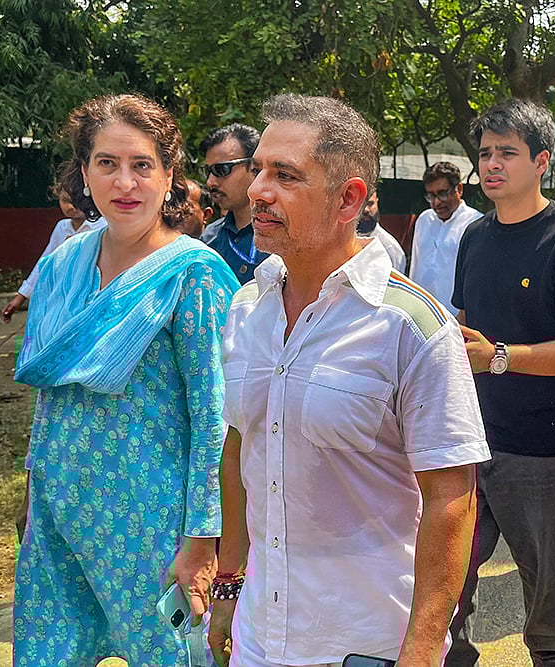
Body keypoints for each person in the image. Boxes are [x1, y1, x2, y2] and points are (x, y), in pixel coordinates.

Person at [208, 94, 489, 667]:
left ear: (349, 199)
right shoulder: (246, 309)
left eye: (285, 176)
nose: (258, 189)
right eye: (258, 169)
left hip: (367, 644)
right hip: (261, 636)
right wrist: (229, 585)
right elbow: (241, 448)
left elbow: (452, 498)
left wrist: (421, 650)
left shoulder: (411, 325)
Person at [12, 94, 239, 666]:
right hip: (61, 511)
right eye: (107, 164)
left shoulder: (194, 276)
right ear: (83, 174)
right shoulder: (64, 266)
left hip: (152, 524)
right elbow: (51, 398)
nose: (125, 183)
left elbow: (217, 417)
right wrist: (35, 491)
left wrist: (203, 539)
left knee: (172, 657)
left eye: (142, 165)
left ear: (169, 176)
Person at [448, 98, 555, 667]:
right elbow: (462, 322)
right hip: (469, 439)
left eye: (507, 153)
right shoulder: (474, 236)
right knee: (448, 581)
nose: (491, 165)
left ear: (541, 161)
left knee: (545, 597)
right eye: (485, 153)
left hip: (542, 448)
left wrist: (500, 358)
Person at [0, 186, 107, 321]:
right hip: (63, 296)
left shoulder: (102, 227)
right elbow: (45, 263)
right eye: (65, 201)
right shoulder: (62, 228)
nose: (71, 207)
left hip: (93, 298)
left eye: (77, 201)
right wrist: (20, 298)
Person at [409, 161, 481, 315]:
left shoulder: (475, 223)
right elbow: (415, 267)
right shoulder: (424, 220)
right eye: (431, 195)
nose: (436, 202)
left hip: (456, 319)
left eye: (442, 193)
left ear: (459, 189)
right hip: (421, 316)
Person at [200, 123, 265, 283]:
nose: (211, 182)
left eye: (221, 170)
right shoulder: (210, 240)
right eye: (208, 172)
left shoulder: (287, 232)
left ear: (254, 167)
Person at [357, 190, 407, 272]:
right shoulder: (340, 241)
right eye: (361, 204)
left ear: (377, 202)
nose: (366, 210)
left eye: (370, 204)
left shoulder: (391, 249)